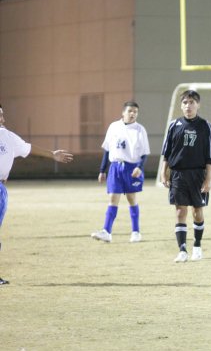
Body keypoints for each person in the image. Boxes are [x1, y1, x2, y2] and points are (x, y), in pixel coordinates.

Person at [0, 103, 73, 285]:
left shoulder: (7, 137)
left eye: (2, 115)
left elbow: (28, 148)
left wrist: (53, 155)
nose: (3, 119)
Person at [161, 89, 211, 262]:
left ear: (198, 105)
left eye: (192, 102)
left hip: (198, 174)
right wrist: (164, 173)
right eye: (185, 102)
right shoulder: (174, 125)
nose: (188, 106)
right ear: (181, 105)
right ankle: (182, 250)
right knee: (179, 211)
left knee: (197, 211)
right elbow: (167, 152)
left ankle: (197, 246)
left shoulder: (205, 125)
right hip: (178, 175)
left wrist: (208, 179)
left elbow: (210, 156)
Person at [91, 101, 150, 243]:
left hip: (131, 168)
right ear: (123, 113)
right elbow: (107, 149)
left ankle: (136, 232)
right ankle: (106, 231)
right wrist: (102, 170)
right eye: (130, 111)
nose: (133, 114)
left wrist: (139, 167)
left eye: (135, 112)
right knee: (113, 198)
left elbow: (145, 153)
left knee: (131, 199)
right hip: (115, 167)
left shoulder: (140, 129)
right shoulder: (114, 127)